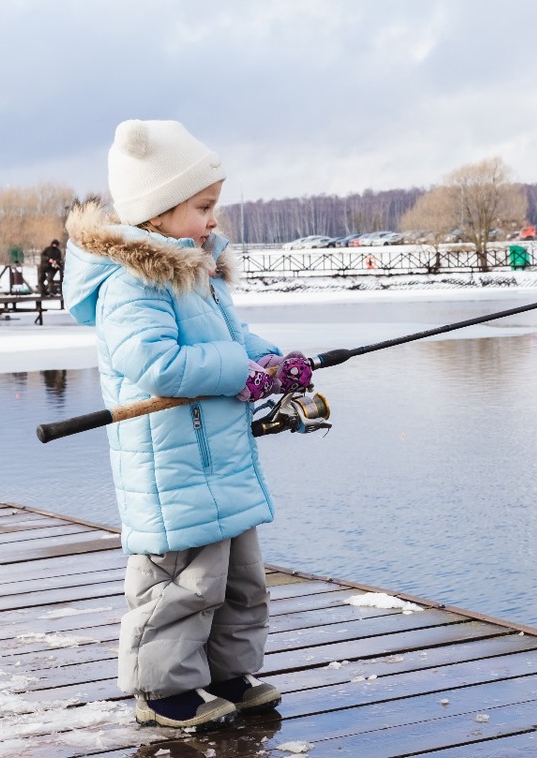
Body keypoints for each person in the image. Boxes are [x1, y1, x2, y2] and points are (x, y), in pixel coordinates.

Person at [61, 119, 313, 730]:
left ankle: (228, 672)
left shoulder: (195, 272)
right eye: (202, 207)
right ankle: (163, 690)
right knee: (181, 584)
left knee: (240, 581)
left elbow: (234, 339)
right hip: (169, 466)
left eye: (213, 207)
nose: (212, 220)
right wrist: (239, 374)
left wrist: (272, 362)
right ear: (158, 210)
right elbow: (156, 364)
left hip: (220, 457)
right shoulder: (130, 285)